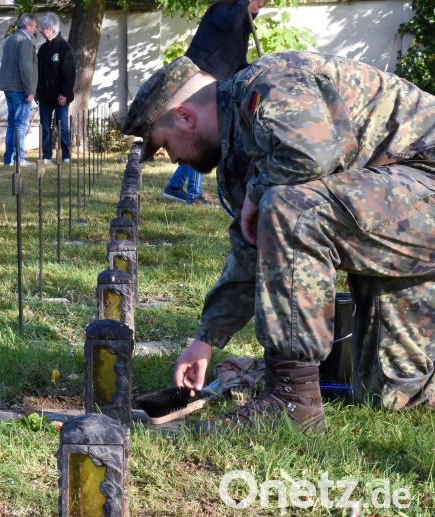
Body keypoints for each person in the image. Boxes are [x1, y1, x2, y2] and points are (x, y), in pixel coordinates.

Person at [123, 51, 435, 434]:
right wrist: (205, 341)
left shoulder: (268, 83)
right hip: (402, 207)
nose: (172, 159)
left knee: (291, 207)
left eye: (165, 145)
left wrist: (258, 194)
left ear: (186, 117)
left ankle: (292, 401)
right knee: (391, 394)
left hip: (424, 179)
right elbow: (252, 248)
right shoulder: (239, 153)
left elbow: (311, 154)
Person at [162, 0, 267, 205]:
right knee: (204, 135)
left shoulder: (240, 27)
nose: (260, 8)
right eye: (259, 3)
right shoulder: (219, 11)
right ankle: (194, 193)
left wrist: (256, 71)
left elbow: (236, 61)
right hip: (199, 83)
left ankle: (174, 187)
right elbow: (229, 21)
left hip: (215, 85)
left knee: (205, 136)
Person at [0, 13, 38, 167]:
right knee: (20, 124)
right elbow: (26, 69)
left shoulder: (11, 39)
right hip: (19, 89)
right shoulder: (24, 41)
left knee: (12, 124)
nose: (35, 30)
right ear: (28, 25)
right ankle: (20, 159)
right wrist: (29, 91)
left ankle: (9, 159)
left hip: (9, 87)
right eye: (34, 26)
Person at [36, 12, 75, 164]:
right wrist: (37, 93)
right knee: (45, 127)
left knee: (62, 127)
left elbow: (70, 74)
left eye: (43, 28)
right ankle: (47, 156)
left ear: (51, 28)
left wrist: (64, 93)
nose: (40, 31)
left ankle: (66, 155)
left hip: (60, 97)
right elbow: (39, 73)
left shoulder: (65, 48)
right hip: (45, 97)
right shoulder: (43, 49)